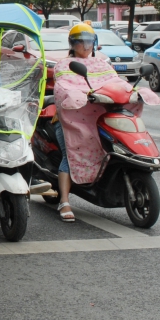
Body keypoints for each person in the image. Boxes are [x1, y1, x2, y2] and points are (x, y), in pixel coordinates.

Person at [51, 22, 103, 223]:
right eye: (81, 42)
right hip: (69, 119)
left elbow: (111, 81)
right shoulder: (63, 65)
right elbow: (62, 88)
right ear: (72, 44)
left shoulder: (102, 64)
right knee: (70, 154)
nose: (86, 46)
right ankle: (64, 200)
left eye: (89, 41)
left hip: (97, 117)